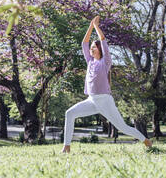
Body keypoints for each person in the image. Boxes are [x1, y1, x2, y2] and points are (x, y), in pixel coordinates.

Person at [61, 16, 152, 153]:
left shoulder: (105, 62)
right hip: (91, 100)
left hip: (105, 101)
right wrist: (90, 26)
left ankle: (146, 141)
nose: (91, 49)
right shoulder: (90, 61)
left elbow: (103, 41)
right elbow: (84, 43)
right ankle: (66, 147)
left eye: (93, 48)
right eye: (91, 48)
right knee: (70, 113)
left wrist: (97, 27)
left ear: (99, 50)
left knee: (123, 127)